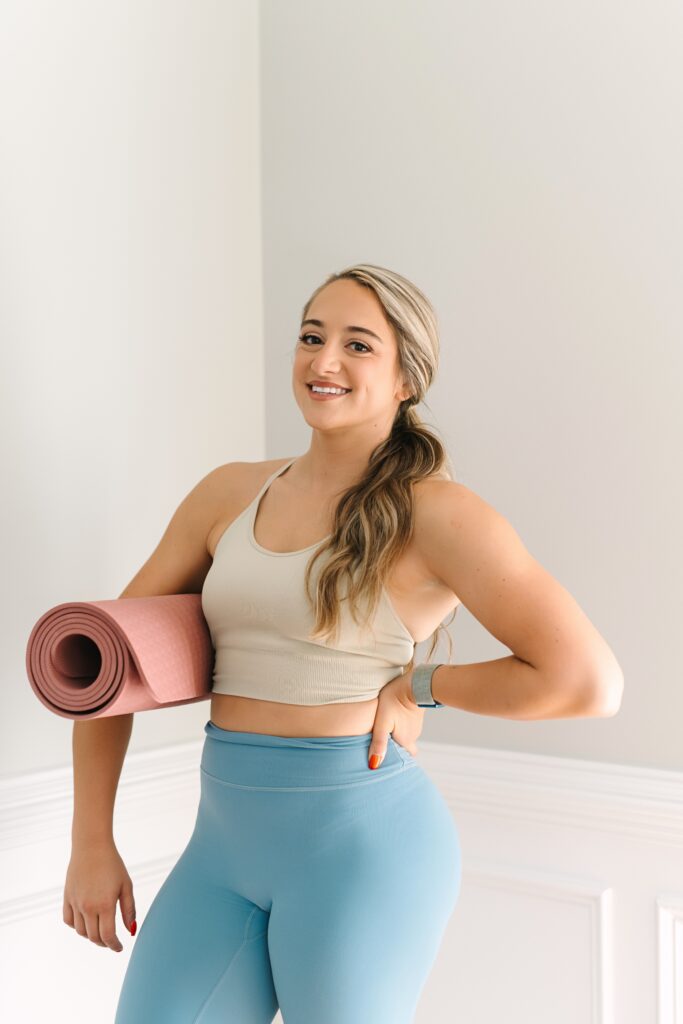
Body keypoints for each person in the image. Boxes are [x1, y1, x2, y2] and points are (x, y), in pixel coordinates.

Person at [63, 264, 623, 1023]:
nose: (324, 361)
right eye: (311, 337)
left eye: (358, 345)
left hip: (363, 851)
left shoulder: (440, 515)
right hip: (222, 846)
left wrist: (420, 686)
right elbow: (102, 664)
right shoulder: (228, 493)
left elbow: (588, 680)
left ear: (405, 379)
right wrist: (91, 842)